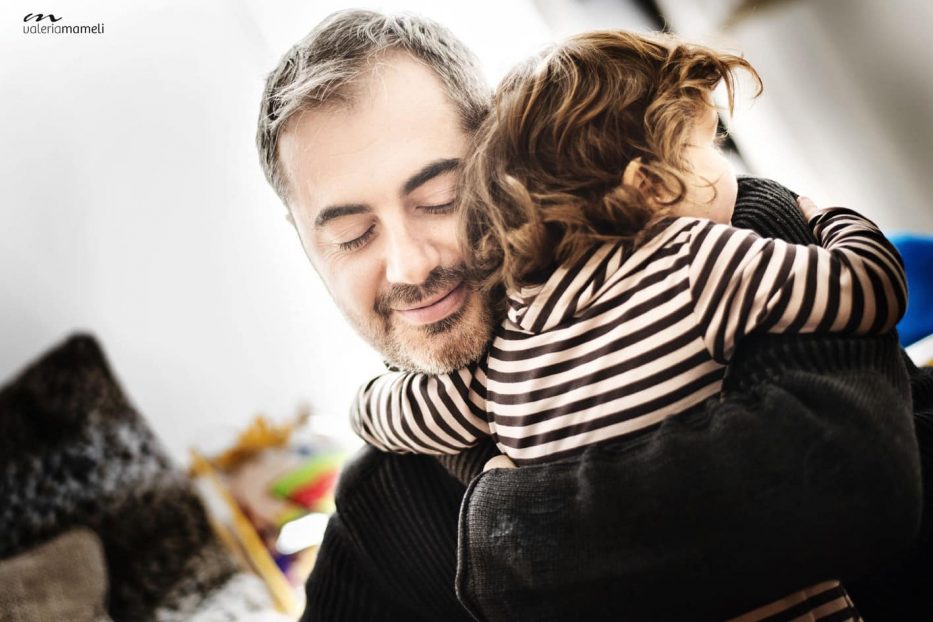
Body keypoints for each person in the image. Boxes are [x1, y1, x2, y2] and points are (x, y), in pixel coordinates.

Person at [255, 10, 929, 621]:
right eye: (351, 235)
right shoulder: (380, 512)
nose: (407, 265)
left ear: (501, 159)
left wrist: (503, 531)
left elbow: (847, 486)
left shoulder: (720, 236)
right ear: (306, 244)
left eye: (439, 197)